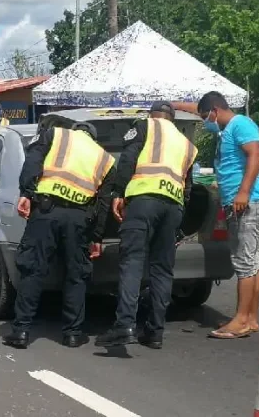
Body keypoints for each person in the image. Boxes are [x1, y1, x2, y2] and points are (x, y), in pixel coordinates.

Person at [2, 122, 116, 349]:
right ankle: (73, 334)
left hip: (46, 210)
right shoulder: (105, 158)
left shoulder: (55, 135)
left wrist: (26, 192)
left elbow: (33, 161)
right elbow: (104, 203)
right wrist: (97, 237)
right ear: (93, 137)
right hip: (79, 218)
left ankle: (21, 331)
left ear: (75, 130)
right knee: (76, 274)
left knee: (33, 269)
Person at [95, 101, 198, 350]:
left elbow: (128, 159)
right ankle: (154, 332)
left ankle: (125, 325)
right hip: (173, 206)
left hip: (143, 201)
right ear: (172, 119)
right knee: (162, 269)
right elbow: (188, 186)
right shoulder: (187, 144)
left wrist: (118, 193)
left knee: (132, 261)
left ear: (152, 115)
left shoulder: (144, 126)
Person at [197, 91, 259, 339]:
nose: (206, 121)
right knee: (252, 261)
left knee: (243, 263)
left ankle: (240, 320)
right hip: (241, 202)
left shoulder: (241, 124)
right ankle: (250, 318)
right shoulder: (226, 130)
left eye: (206, 116)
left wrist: (243, 192)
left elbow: (255, 154)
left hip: (247, 203)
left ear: (215, 110)